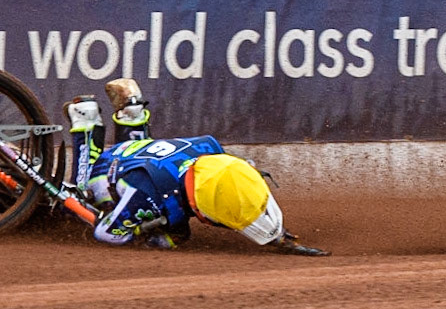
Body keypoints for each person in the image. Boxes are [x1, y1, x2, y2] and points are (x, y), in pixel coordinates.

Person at [64, 79, 329, 256]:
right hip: (114, 175)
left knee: (146, 170)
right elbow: (106, 234)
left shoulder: (210, 148)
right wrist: (142, 230)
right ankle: (86, 119)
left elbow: (233, 180)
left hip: (142, 159)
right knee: (85, 191)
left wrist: (277, 235)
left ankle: (132, 111)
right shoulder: (150, 199)